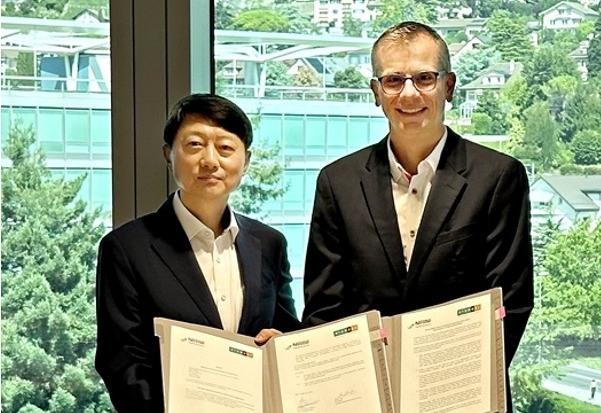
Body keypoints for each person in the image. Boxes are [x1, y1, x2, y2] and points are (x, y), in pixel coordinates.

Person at [302, 21, 533, 410]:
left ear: (449, 86)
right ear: (376, 92)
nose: (409, 93)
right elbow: (325, 307)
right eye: (393, 80)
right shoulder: (337, 182)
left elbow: (510, 302)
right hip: (365, 399)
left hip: (463, 398)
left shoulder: (497, 177)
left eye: (424, 78)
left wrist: (446, 389)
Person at [95, 93, 300, 413]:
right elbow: (122, 363)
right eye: (194, 145)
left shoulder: (269, 243)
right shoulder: (126, 248)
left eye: (226, 147)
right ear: (168, 155)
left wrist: (283, 347)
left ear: (245, 162)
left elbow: (287, 331)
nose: (210, 161)